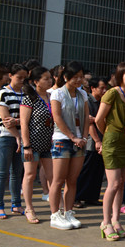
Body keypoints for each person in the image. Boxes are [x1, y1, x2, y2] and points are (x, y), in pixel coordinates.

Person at [96, 62, 125, 240]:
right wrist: (107, 134)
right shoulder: (112, 93)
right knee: (113, 184)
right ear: (120, 76)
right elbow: (99, 119)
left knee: (121, 183)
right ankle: (105, 222)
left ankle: (116, 220)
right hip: (112, 140)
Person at [48, 62, 89, 230]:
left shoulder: (83, 95)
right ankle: (55, 214)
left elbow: (86, 117)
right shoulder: (57, 94)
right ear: (66, 77)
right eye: (75, 77)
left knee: (72, 180)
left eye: (81, 76)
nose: (79, 80)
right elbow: (57, 118)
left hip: (80, 140)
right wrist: (72, 137)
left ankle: (69, 211)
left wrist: (84, 137)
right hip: (62, 139)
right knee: (58, 180)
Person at [19, 67, 54, 224]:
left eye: (50, 78)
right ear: (35, 81)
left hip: (49, 143)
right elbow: (24, 124)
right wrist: (27, 145)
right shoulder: (29, 98)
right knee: (30, 175)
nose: (49, 81)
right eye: (45, 78)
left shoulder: (51, 97)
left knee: (53, 176)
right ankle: (29, 208)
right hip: (32, 143)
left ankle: (56, 207)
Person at [0, 64, 28, 219]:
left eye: (24, 78)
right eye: (18, 77)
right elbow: (6, 120)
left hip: (22, 136)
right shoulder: (2, 93)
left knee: (17, 172)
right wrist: (17, 135)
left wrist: (19, 122)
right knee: (2, 172)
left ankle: (16, 204)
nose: (21, 81)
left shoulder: (26, 94)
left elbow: (29, 118)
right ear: (10, 75)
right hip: (5, 136)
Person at [74, 77, 108, 207]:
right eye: (101, 88)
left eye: (105, 88)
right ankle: (77, 197)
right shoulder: (88, 101)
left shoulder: (103, 102)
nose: (104, 90)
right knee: (86, 169)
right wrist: (97, 140)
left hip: (102, 139)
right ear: (93, 88)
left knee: (98, 170)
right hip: (91, 140)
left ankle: (92, 197)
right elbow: (89, 123)